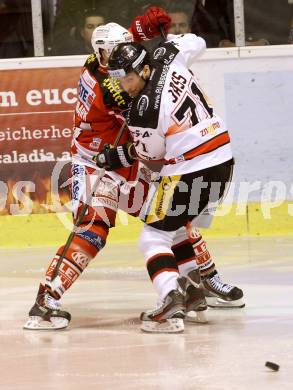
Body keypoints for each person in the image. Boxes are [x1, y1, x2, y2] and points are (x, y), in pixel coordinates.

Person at [24, 7, 243, 332]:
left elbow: (119, 51)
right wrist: (155, 42)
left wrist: (138, 30)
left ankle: (198, 284)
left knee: (170, 220)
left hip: (122, 163)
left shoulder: (100, 62)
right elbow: (136, 80)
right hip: (96, 166)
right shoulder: (118, 86)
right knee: (94, 228)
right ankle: (46, 300)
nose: (120, 71)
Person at [100, 31, 238, 333]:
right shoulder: (168, 55)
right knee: (176, 228)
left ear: (144, 70)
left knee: (152, 237)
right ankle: (194, 293)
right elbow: (198, 41)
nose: (124, 86)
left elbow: (153, 155)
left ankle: (170, 297)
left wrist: (117, 156)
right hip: (223, 161)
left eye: (128, 78)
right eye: (118, 79)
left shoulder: (141, 112)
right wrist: (169, 38)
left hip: (189, 170)